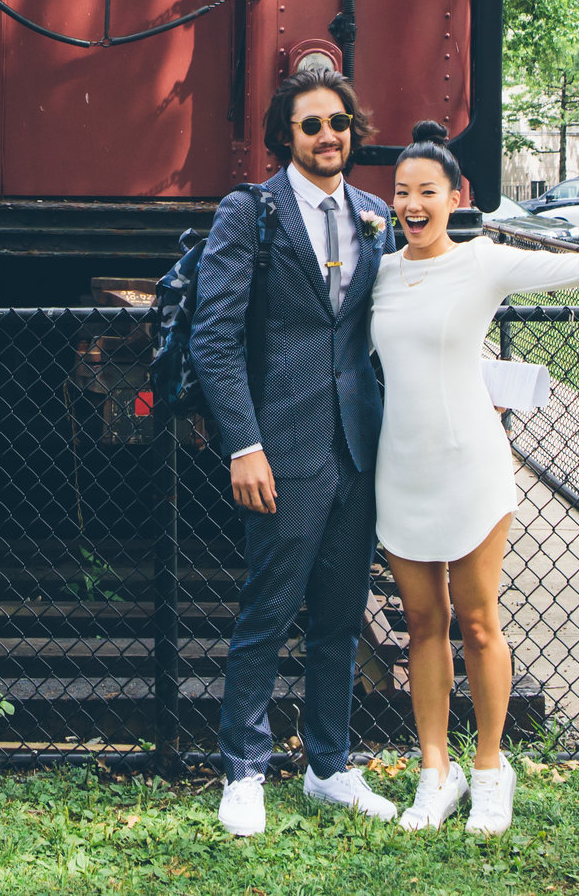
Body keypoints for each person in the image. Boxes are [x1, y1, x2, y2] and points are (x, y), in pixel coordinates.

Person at [375, 123, 579, 834]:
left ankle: (492, 769)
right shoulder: (380, 274)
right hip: (401, 468)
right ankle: (435, 771)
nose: (412, 204)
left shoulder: (485, 261)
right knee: (423, 624)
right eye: (402, 192)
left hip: (472, 464)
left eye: (426, 192)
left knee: (477, 620)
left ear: (454, 196)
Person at [188, 68, 401, 836]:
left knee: (341, 617)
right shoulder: (251, 213)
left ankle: (329, 766)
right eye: (310, 125)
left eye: (338, 122)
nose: (327, 136)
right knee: (268, 613)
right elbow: (213, 339)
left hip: (359, 448)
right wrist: (244, 443)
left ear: (353, 129)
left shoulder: (377, 215)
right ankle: (244, 770)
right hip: (281, 447)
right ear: (287, 135)